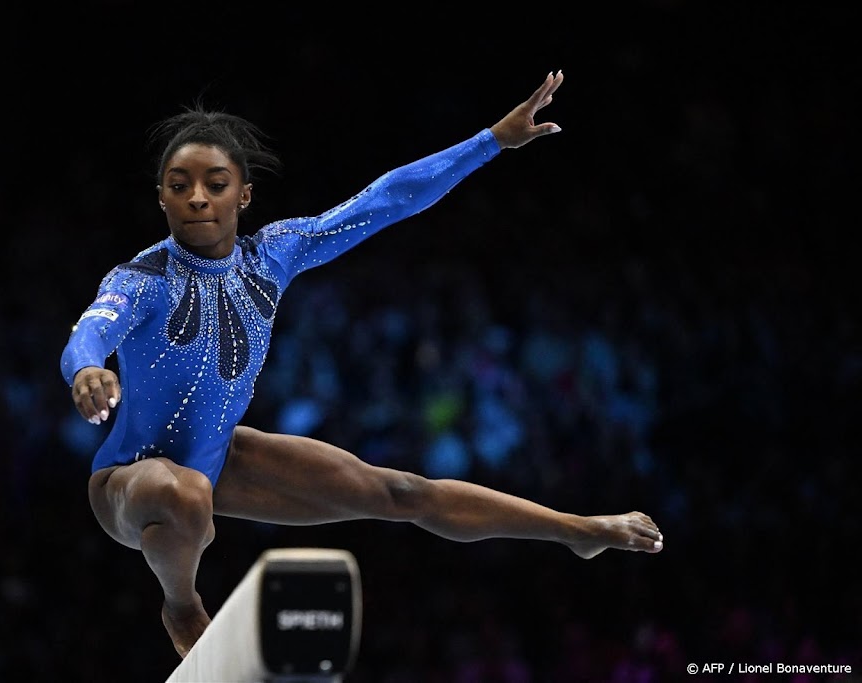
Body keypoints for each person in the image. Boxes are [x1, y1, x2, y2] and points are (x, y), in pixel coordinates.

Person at [60, 70, 664, 659]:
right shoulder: (141, 278)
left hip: (221, 460)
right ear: (160, 194)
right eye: (179, 183)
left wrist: (491, 143)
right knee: (186, 493)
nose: (197, 197)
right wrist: (87, 369)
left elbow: (384, 201)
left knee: (400, 491)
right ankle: (181, 602)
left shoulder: (272, 255)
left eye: (215, 183)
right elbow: (90, 331)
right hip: (128, 484)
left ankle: (576, 530)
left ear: (243, 194)